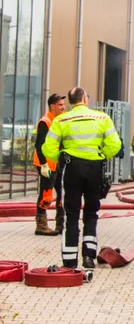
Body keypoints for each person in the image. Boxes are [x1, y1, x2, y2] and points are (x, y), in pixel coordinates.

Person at [42, 87, 121, 269]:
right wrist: (100, 155)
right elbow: (115, 145)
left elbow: (48, 148)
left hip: (71, 168)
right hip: (95, 168)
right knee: (92, 213)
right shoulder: (102, 118)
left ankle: (69, 261)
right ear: (85, 99)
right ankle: (88, 257)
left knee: (71, 214)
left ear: (70, 102)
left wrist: (62, 159)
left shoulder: (62, 119)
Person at [32, 93, 67, 236]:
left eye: (63, 105)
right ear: (52, 106)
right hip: (46, 163)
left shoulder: (59, 121)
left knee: (61, 194)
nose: (63, 107)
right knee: (46, 194)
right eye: (60, 105)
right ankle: (41, 225)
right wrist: (43, 164)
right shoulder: (45, 122)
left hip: (57, 163)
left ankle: (60, 225)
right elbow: (39, 145)